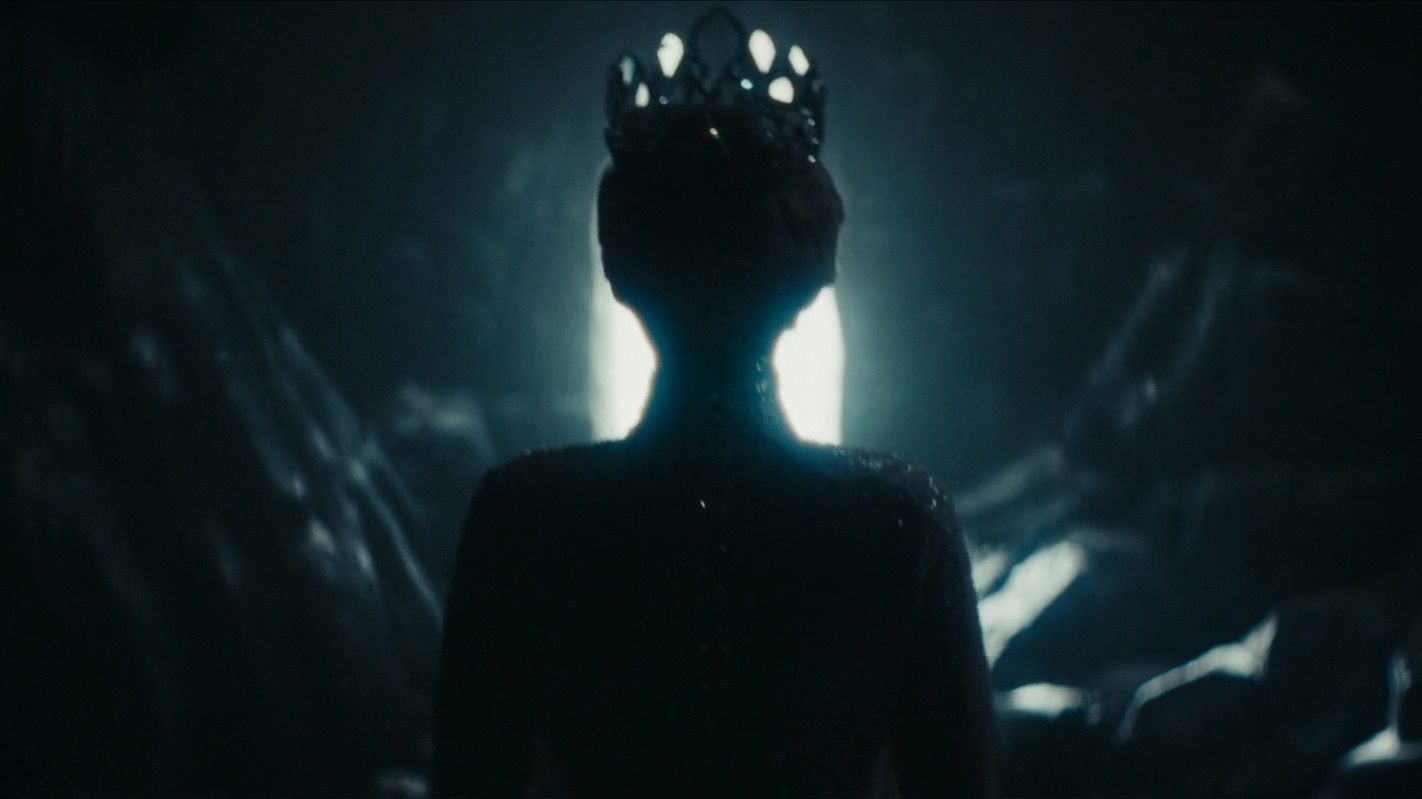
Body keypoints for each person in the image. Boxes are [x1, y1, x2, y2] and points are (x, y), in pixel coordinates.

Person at [430, 8, 994, 797]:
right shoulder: (902, 526)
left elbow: (469, 777)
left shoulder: (522, 520)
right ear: (816, 262)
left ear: (618, 258)